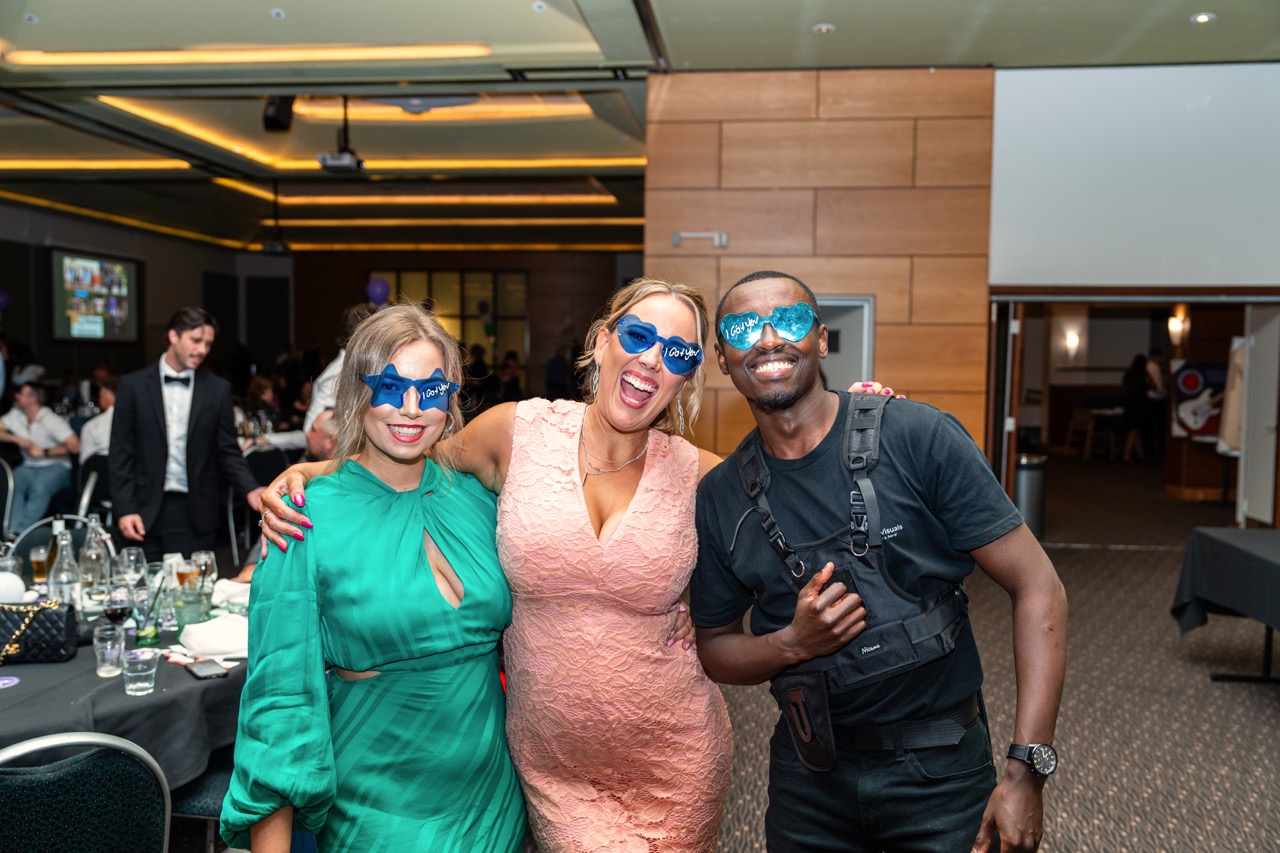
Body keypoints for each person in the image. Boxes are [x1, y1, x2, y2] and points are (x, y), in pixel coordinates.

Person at [262, 280, 739, 850]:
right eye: (638, 336)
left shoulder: (700, 473)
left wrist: (710, 613)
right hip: (552, 767)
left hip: (672, 755)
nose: (653, 359)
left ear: (689, 376)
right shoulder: (518, 433)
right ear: (602, 341)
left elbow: (779, 543)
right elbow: (415, 454)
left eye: (679, 352)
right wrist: (311, 473)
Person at [691, 271, 1068, 853]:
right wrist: (791, 644)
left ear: (821, 339)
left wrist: (1026, 771)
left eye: (789, 320)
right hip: (809, 778)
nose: (767, 339)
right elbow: (714, 647)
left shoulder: (917, 436)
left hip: (941, 771)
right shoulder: (722, 496)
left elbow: (1038, 586)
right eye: (743, 328)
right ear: (722, 357)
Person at [221, 304, 528, 851]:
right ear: (356, 393)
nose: (411, 408)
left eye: (431, 390)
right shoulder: (303, 514)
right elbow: (280, 702)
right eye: (389, 386)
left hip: (494, 801)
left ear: (451, 399)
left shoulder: (480, 497)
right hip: (377, 805)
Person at [109, 307, 264, 561]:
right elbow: (120, 453)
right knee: (142, 582)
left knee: (190, 583)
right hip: (142, 507)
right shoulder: (133, 386)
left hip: (195, 510)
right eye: (196, 340)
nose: (202, 349)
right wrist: (125, 508)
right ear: (174, 336)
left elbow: (227, 450)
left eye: (208, 344)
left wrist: (250, 489)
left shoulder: (217, 389)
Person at [231, 408, 338, 584]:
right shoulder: (303, 469)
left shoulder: (324, 484)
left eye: (313, 430)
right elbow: (275, 518)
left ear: (330, 441)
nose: (307, 434)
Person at [0, 381, 80, 531]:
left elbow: (76, 446)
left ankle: (21, 533)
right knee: (12, 483)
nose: (16, 396)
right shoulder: (16, 414)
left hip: (56, 467)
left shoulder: (51, 420)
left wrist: (44, 452)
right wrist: (15, 438)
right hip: (29, 466)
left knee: (40, 487)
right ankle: (10, 532)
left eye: (21, 394)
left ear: (33, 399)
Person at [78, 376, 118, 462]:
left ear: (107, 396)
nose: (99, 400)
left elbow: (85, 461)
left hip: (102, 468)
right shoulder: (140, 420)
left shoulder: (93, 425)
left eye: (100, 396)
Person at [1121, 353, 1150, 463]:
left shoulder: (1129, 374)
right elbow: (1148, 388)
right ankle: (1126, 455)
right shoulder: (1142, 375)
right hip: (1139, 404)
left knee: (1134, 429)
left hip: (1129, 403)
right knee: (1134, 430)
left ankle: (1140, 454)